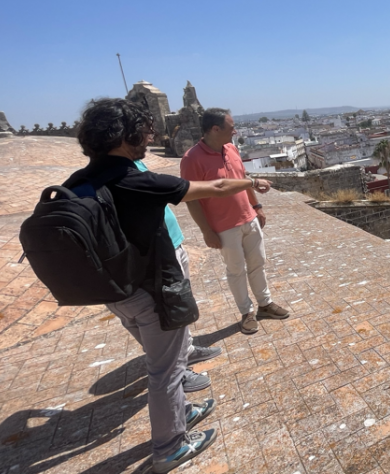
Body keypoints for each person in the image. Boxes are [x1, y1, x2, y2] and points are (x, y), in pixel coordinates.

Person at [72, 98, 273, 473]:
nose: (148, 138)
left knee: (168, 359)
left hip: (114, 292)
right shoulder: (133, 179)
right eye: (142, 133)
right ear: (124, 137)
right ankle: (170, 447)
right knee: (165, 371)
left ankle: (182, 412)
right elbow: (213, 187)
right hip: (148, 289)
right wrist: (252, 182)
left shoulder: (80, 180)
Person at [181, 108, 289, 334]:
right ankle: (246, 312)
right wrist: (206, 231)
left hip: (248, 218)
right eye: (231, 127)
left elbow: (242, 179)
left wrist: (256, 206)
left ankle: (265, 304)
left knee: (258, 263)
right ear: (215, 129)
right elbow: (191, 200)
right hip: (224, 226)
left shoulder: (231, 149)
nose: (235, 131)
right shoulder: (192, 159)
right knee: (236, 270)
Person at [134, 159, 222, 392]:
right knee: (166, 315)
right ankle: (177, 372)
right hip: (156, 256)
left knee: (178, 310)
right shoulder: (123, 175)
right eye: (146, 130)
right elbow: (196, 190)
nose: (151, 136)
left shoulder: (135, 164)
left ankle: (187, 352)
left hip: (170, 245)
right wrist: (250, 182)